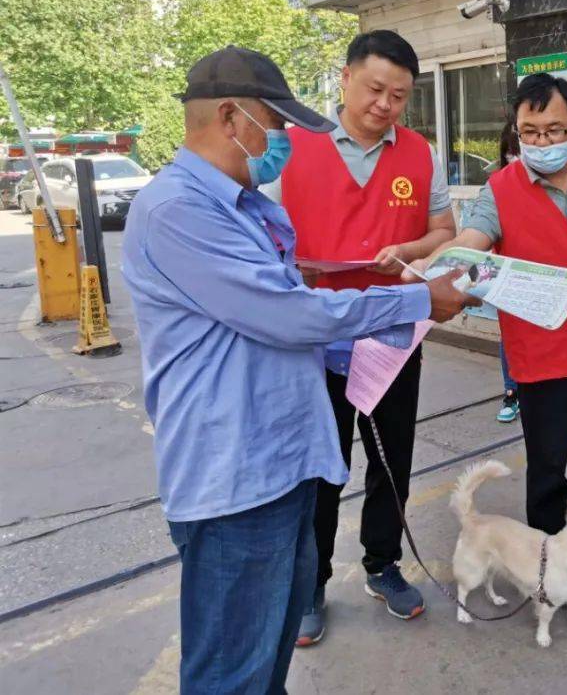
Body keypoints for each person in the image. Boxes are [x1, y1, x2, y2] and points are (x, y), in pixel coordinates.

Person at [120, 46, 473, 693]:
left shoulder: (246, 205)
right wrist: (422, 298)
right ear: (231, 118)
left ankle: (377, 562)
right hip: (234, 484)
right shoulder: (180, 211)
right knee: (232, 677)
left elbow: (281, 293)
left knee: (266, 667)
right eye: (275, 125)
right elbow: (286, 315)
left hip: (282, 466)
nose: (282, 140)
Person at [409, 73, 567, 596]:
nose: (541, 142)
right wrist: (430, 262)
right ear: (517, 130)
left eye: (553, 130)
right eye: (530, 131)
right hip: (543, 356)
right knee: (547, 471)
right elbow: (472, 241)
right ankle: (547, 561)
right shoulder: (501, 188)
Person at [265, 30, 456, 639]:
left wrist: (413, 248)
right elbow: (257, 237)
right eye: (375, 88)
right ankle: (311, 584)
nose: (385, 104)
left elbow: (444, 230)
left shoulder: (420, 154)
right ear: (345, 78)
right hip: (314, 338)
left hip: (392, 337)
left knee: (391, 459)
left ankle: (383, 564)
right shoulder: (288, 150)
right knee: (319, 467)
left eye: (399, 96)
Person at [494, 120, 520, 424]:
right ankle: (511, 392)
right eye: (510, 152)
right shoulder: (498, 185)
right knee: (510, 335)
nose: (515, 158)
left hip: (544, 276)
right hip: (507, 273)